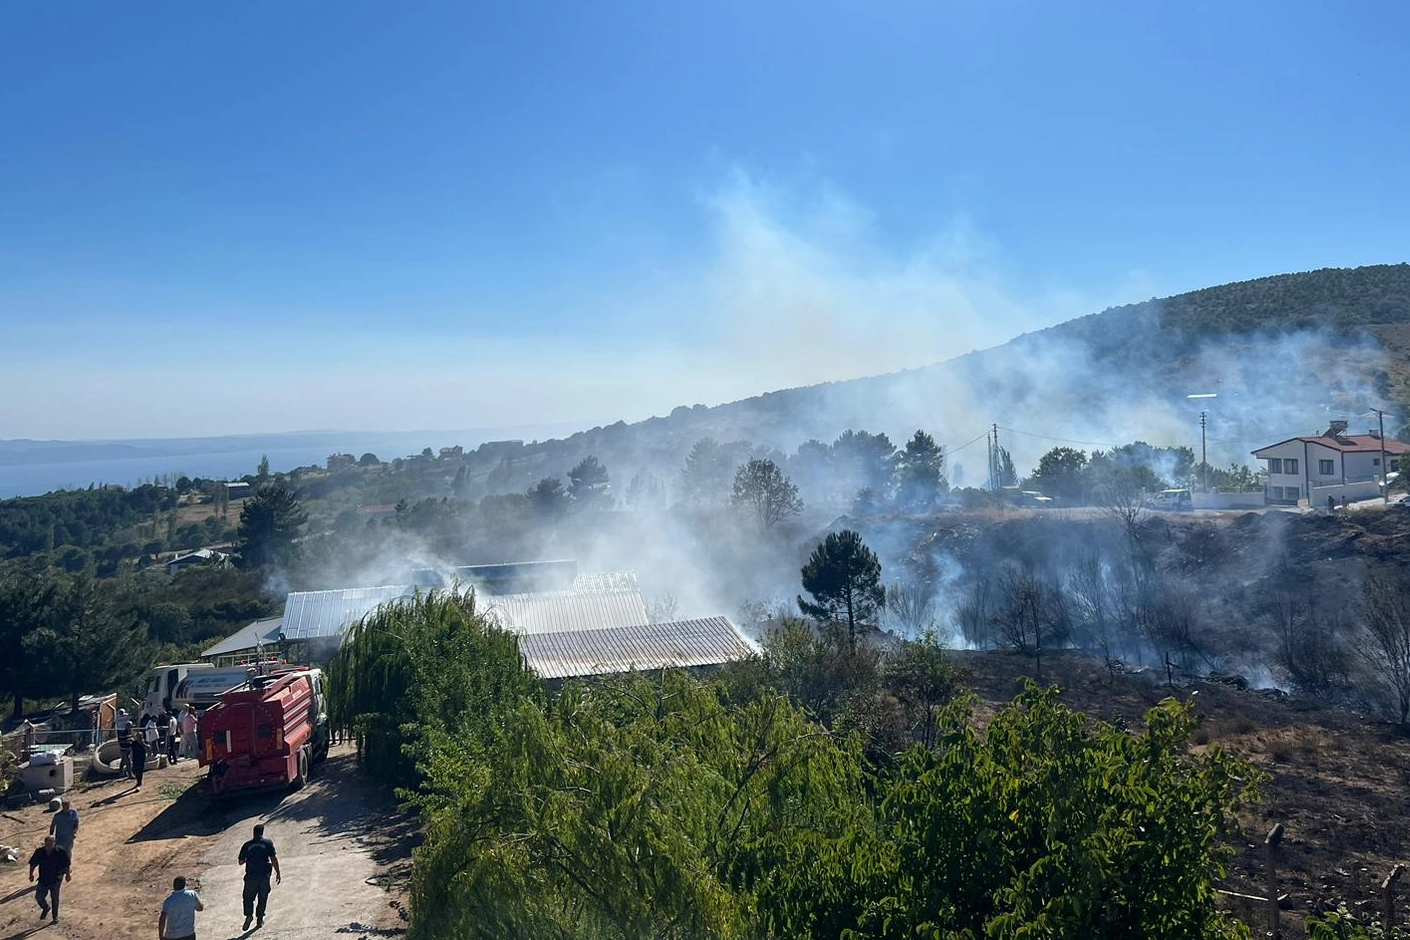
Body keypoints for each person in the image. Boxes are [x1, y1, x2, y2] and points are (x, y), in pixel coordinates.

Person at [237, 824, 281, 930]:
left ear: (253, 832)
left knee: (248, 897)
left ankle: (248, 915)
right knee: (263, 897)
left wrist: (250, 858)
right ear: (262, 832)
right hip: (264, 875)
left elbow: (240, 861)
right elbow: (273, 858)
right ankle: (260, 919)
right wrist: (278, 872)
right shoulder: (267, 843)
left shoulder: (247, 845)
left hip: (251, 875)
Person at [27, 834, 70, 924]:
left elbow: (66, 864)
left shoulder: (60, 851)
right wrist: (31, 875)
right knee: (39, 897)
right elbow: (33, 864)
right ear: (45, 843)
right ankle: (46, 908)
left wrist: (67, 875)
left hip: (56, 878)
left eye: (51, 843)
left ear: (54, 843)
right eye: (47, 843)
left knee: (55, 898)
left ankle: (55, 917)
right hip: (43, 878)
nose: (49, 845)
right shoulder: (40, 852)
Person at [158, 875, 203, 940]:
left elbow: (162, 919)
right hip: (188, 933)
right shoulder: (192, 894)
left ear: (174, 886)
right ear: (184, 884)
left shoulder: (168, 901)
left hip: (172, 935)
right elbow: (200, 908)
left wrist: (161, 936)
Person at [115, 708, 134, 777]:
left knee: (123, 760)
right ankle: (130, 774)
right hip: (124, 747)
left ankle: (120, 772)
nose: (130, 727)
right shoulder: (122, 732)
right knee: (127, 761)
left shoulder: (129, 732)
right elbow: (123, 740)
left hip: (127, 747)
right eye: (129, 726)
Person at [131, 724, 148, 792]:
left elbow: (148, 748)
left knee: (140, 770)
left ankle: (139, 782)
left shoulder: (144, 742)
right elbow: (131, 749)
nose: (139, 738)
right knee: (135, 770)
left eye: (140, 736)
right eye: (138, 736)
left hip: (141, 758)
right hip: (135, 758)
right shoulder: (134, 743)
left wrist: (143, 744)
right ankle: (138, 780)